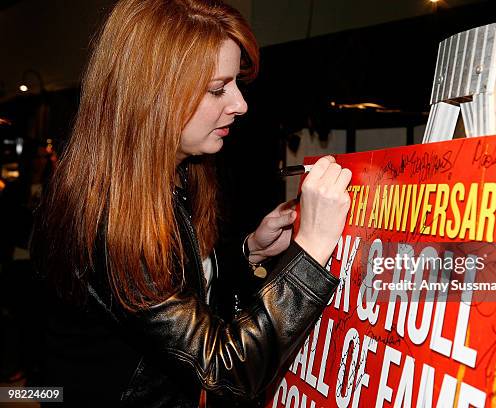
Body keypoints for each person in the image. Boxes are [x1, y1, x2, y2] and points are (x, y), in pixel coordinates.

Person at [30, 0, 351, 407]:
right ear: (153, 95)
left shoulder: (170, 174)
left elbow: (175, 292)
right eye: (218, 89)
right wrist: (312, 249)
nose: (240, 104)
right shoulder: (106, 214)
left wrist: (246, 250)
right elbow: (225, 371)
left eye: (235, 84)